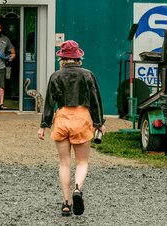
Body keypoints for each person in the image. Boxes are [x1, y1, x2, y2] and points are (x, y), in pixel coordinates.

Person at [37, 40, 106, 217]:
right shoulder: (88, 75)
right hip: (82, 117)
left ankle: (66, 203)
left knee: (64, 163)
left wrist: (43, 126)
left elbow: (49, 103)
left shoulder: (55, 76)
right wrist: (99, 123)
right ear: (78, 58)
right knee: (82, 162)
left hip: (62, 117)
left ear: (62, 58)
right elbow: (96, 100)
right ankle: (77, 189)